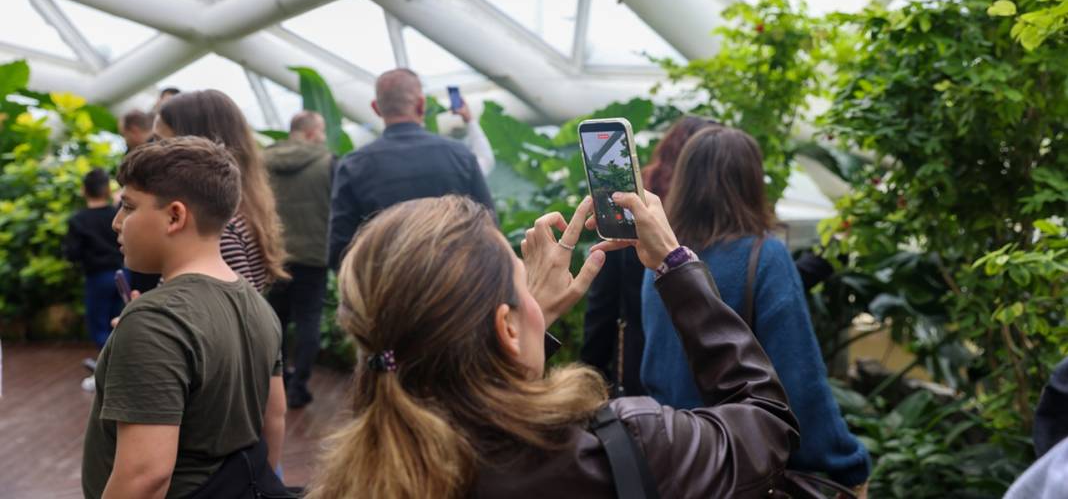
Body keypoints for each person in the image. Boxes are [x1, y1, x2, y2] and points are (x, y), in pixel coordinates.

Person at [306, 192, 799, 499]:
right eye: (523, 281)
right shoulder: (624, 447)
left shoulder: (351, 481)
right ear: (505, 326)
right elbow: (767, 423)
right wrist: (675, 265)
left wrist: (520, 326)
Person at [640, 126, 871, 496]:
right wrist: (846, 466)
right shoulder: (765, 257)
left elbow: (657, 369)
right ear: (750, 182)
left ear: (684, 181)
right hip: (739, 469)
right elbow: (799, 378)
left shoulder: (659, 262)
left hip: (675, 464)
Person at [81, 137, 286, 499]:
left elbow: (145, 477)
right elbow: (274, 420)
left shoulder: (156, 320)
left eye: (128, 206)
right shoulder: (258, 306)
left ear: (175, 215)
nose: (117, 223)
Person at [581, 116, 718, 395]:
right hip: (704, 369)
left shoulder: (635, 204)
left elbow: (602, 309)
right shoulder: (714, 217)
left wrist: (586, 381)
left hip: (639, 369)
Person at [326, 68, 495, 269]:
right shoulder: (459, 155)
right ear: (421, 104)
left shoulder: (353, 165)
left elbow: (341, 248)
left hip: (388, 289)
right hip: (455, 284)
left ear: (376, 108)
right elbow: (489, 228)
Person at [156, 89, 287, 292]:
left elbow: (238, 316)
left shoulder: (217, 231)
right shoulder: (236, 213)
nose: (153, 152)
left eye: (163, 143)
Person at [264, 111, 335, 409]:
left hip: (273, 254)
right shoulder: (328, 162)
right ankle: (298, 386)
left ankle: (272, 382)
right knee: (308, 321)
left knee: (273, 321)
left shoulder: (262, 160)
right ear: (309, 133)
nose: (322, 136)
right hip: (314, 256)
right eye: (320, 131)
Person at [63, 168, 126, 387]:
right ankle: (117, 367)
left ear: (83, 191)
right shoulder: (117, 214)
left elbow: (71, 253)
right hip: (121, 275)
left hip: (97, 277)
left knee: (99, 325)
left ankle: (107, 370)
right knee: (121, 321)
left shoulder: (79, 220)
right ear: (108, 189)